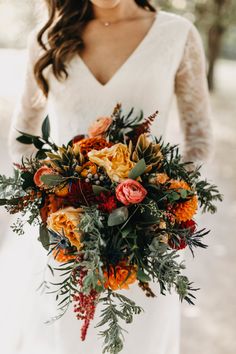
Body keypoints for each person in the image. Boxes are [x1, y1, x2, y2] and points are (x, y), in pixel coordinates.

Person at [8, 1, 212, 353]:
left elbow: (198, 138)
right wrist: (55, 198)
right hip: (62, 245)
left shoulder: (177, 35)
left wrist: (158, 203)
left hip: (146, 245)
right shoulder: (47, 38)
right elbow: (21, 138)